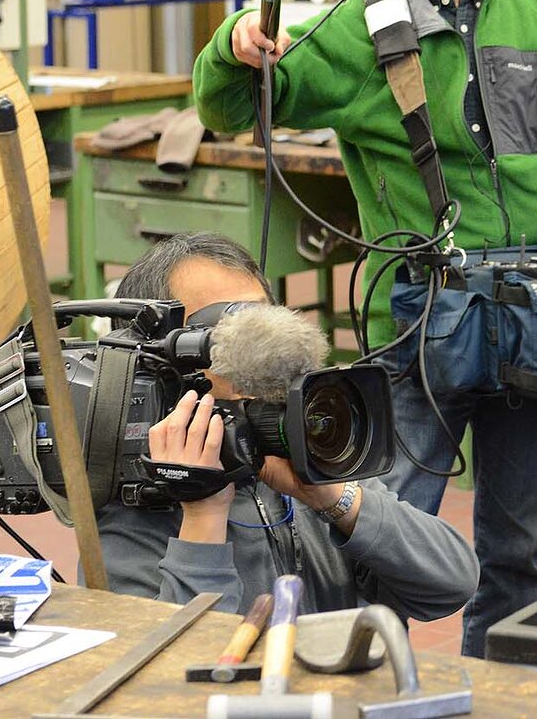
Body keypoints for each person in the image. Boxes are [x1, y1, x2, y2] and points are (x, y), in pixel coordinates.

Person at [192, 0, 537, 656]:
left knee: (518, 548)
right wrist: (235, 46)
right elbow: (232, 107)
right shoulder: (355, 28)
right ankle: (352, 683)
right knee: (377, 533)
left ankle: (498, 689)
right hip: (424, 317)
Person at [96, 232, 479, 619]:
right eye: (223, 336)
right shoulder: (133, 499)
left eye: (262, 325)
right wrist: (203, 515)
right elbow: (181, 666)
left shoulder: (291, 449)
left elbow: (450, 586)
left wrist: (332, 498)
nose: (257, 354)